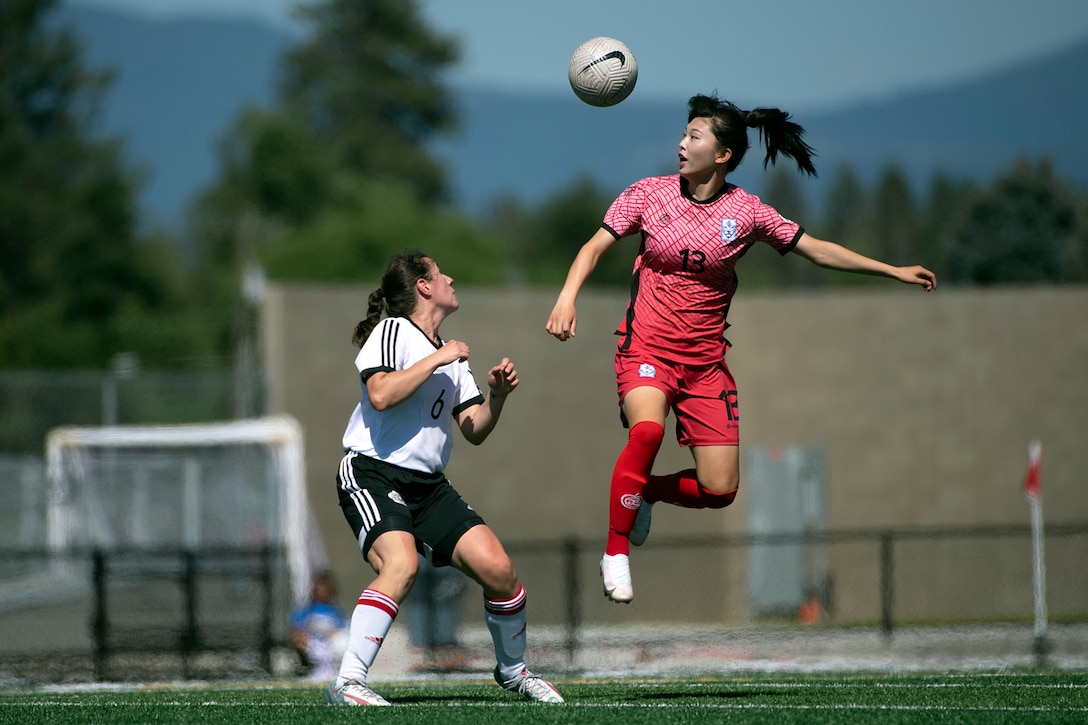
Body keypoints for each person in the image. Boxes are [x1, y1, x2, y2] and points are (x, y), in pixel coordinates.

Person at [545, 93, 937, 605]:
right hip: (646, 347)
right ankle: (615, 551)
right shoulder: (647, 194)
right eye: (683, 135)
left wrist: (891, 270)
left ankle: (645, 491)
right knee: (646, 431)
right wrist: (567, 297)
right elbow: (593, 247)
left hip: (705, 365)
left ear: (723, 154)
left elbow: (816, 249)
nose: (681, 144)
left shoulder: (747, 212)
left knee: (719, 490)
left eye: (694, 137)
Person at [326, 250, 564, 706]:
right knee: (401, 565)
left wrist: (496, 397)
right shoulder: (393, 331)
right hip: (372, 471)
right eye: (440, 273)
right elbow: (379, 394)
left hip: (428, 485)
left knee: (500, 571)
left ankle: (514, 672)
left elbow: (474, 428)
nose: (450, 278)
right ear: (422, 286)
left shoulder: (450, 354)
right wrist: (438, 359)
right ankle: (348, 682)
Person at [290, 570, 349, 681]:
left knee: (342, 642)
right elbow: (297, 628)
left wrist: (330, 632)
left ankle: (335, 670)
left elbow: (342, 628)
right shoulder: (306, 609)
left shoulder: (335, 610)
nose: (322, 592)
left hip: (329, 645)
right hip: (314, 644)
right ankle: (309, 669)